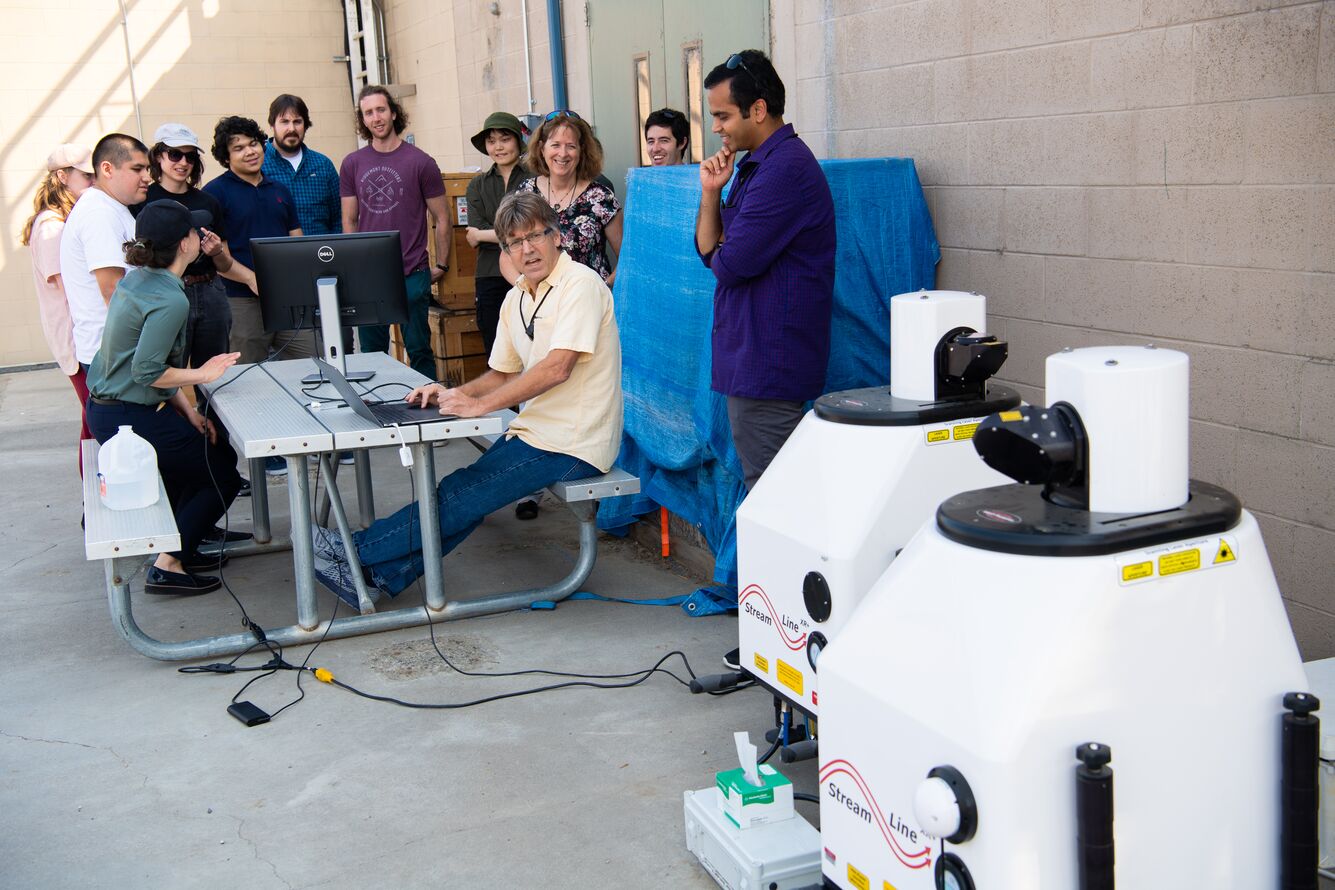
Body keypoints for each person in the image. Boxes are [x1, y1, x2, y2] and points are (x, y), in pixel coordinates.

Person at [310, 192, 623, 604]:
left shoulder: (580, 285)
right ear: (506, 251)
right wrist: (451, 392)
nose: (527, 249)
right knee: (467, 497)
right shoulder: (518, 297)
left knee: (462, 492)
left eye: (536, 236)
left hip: (576, 441)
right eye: (515, 242)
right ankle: (378, 575)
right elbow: (502, 372)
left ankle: (354, 550)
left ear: (557, 235)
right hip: (538, 432)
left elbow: (557, 367)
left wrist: (479, 407)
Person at [84, 200, 245, 595]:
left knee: (207, 455)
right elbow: (147, 371)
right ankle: (169, 563)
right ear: (185, 244)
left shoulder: (138, 280)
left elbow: (150, 369)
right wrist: (203, 374)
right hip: (127, 415)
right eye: (195, 231)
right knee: (221, 476)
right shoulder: (170, 299)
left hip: (113, 409)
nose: (201, 236)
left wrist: (189, 412)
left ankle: (183, 545)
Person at [695, 50, 835, 492]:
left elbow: (730, 265)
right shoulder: (758, 165)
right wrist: (710, 194)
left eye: (722, 115)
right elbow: (708, 252)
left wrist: (722, 250)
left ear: (758, 110)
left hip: (768, 366)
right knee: (772, 491)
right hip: (753, 360)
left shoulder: (784, 170)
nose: (716, 127)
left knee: (775, 496)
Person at [202, 115, 318, 477]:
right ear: (226, 156)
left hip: (288, 299)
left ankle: (308, 439)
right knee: (249, 378)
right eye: (239, 147)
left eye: (253, 143)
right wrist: (253, 278)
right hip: (240, 298)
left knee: (310, 366)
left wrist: (294, 277)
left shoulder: (279, 189)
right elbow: (217, 253)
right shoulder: (215, 194)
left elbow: (296, 237)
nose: (249, 151)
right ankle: (264, 452)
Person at [339, 85, 450, 381]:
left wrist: (441, 265)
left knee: (419, 350)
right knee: (373, 353)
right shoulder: (352, 164)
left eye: (381, 109)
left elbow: (442, 217)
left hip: (412, 272)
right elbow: (349, 220)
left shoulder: (421, 162)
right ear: (362, 120)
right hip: (369, 276)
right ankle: (377, 412)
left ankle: (427, 410)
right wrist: (354, 267)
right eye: (368, 113)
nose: (376, 117)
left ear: (393, 112)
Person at [131, 124, 245, 390]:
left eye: (190, 156)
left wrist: (216, 252)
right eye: (174, 154)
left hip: (210, 288)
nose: (183, 162)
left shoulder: (208, 202)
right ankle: (180, 428)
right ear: (159, 156)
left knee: (216, 375)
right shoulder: (142, 201)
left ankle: (215, 428)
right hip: (166, 290)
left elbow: (225, 263)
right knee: (169, 371)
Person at [22, 144, 96, 468]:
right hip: (76, 341)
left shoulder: (68, 219)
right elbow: (71, 289)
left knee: (93, 420)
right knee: (95, 421)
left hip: (83, 337)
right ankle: (92, 502)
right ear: (63, 177)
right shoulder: (52, 226)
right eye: (86, 175)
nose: (94, 181)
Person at [60, 133, 151, 378]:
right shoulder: (99, 213)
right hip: (117, 356)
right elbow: (113, 290)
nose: (147, 177)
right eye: (138, 169)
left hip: (122, 351)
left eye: (148, 168)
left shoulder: (110, 207)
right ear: (107, 169)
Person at [517, 111, 623, 286]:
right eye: (555, 145)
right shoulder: (525, 193)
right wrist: (525, 288)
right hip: (541, 304)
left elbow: (627, 259)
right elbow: (507, 254)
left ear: (581, 151)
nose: (563, 153)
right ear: (542, 148)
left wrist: (600, 288)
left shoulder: (601, 198)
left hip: (588, 305)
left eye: (571, 146)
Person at [465, 111, 531, 356]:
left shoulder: (535, 180)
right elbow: (473, 232)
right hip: (490, 274)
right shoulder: (477, 185)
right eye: (491, 141)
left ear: (517, 141)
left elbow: (530, 229)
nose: (498, 147)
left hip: (530, 271)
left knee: (532, 346)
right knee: (495, 350)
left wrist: (484, 235)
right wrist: (516, 233)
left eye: (505, 139)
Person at [261, 94, 342, 236]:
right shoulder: (259, 165)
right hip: (275, 254)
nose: (291, 128)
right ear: (272, 124)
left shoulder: (323, 165)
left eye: (297, 121)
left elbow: (338, 217)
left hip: (320, 253)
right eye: (284, 122)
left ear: (305, 125)